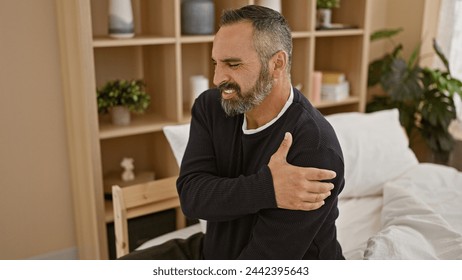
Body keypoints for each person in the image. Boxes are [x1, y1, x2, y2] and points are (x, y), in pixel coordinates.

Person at [120, 5, 344, 260]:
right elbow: (193, 198)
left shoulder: (314, 146)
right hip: (214, 251)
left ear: (277, 64)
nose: (217, 78)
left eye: (233, 64)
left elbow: (263, 261)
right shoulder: (211, 107)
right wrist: (267, 188)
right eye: (216, 63)